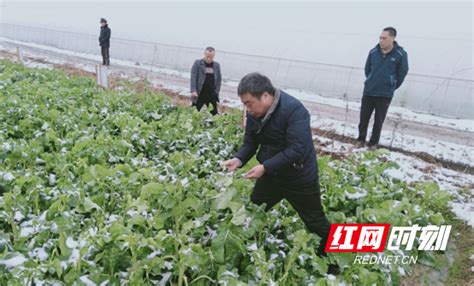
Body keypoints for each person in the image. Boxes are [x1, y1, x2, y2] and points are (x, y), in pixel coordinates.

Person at [222, 73, 336, 272]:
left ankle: (332, 259)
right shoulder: (253, 113)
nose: (247, 109)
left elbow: (297, 149)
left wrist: (264, 167)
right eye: (244, 105)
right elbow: (250, 142)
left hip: (298, 177)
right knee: (254, 211)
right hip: (272, 176)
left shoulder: (294, 111)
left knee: (315, 220)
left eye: (249, 104)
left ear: (265, 96)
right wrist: (238, 159)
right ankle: (242, 252)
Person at [357, 27, 409, 148]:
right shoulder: (373, 52)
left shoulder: (400, 54)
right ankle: (360, 140)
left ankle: (373, 144)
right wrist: (370, 80)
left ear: (392, 38)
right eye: (380, 38)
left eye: (384, 38)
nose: (381, 40)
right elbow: (367, 69)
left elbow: (402, 72)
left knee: (378, 121)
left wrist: (391, 85)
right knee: (363, 118)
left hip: (384, 94)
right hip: (369, 91)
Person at [190, 47, 222, 115]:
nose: (209, 58)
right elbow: (193, 77)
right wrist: (193, 90)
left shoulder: (217, 65)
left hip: (211, 93)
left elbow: (219, 79)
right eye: (207, 56)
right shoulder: (197, 63)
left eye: (211, 57)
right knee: (194, 112)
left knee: (214, 113)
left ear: (214, 56)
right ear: (204, 54)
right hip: (199, 92)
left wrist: (216, 92)